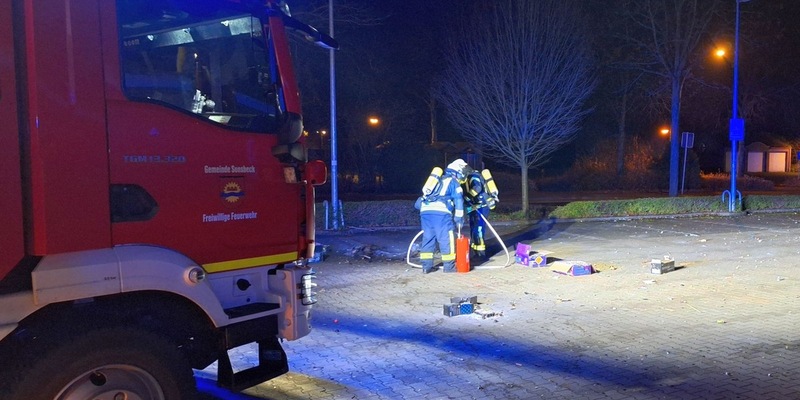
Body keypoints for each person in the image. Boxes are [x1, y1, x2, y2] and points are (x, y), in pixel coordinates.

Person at [418, 159, 467, 273]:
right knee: (446, 239)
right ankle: (449, 267)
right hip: (441, 214)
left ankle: (426, 267)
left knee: (428, 238)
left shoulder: (437, 181)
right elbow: (458, 200)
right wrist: (459, 218)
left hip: (425, 211)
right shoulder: (453, 182)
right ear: (457, 172)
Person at [463, 166, 499, 258]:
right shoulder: (474, 175)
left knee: (478, 228)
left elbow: (477, 188)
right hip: (476, 206)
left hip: (481, 206)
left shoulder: (473, 176)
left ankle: (481, 252)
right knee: (474, 227)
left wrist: (467, 197)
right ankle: (476, 249)